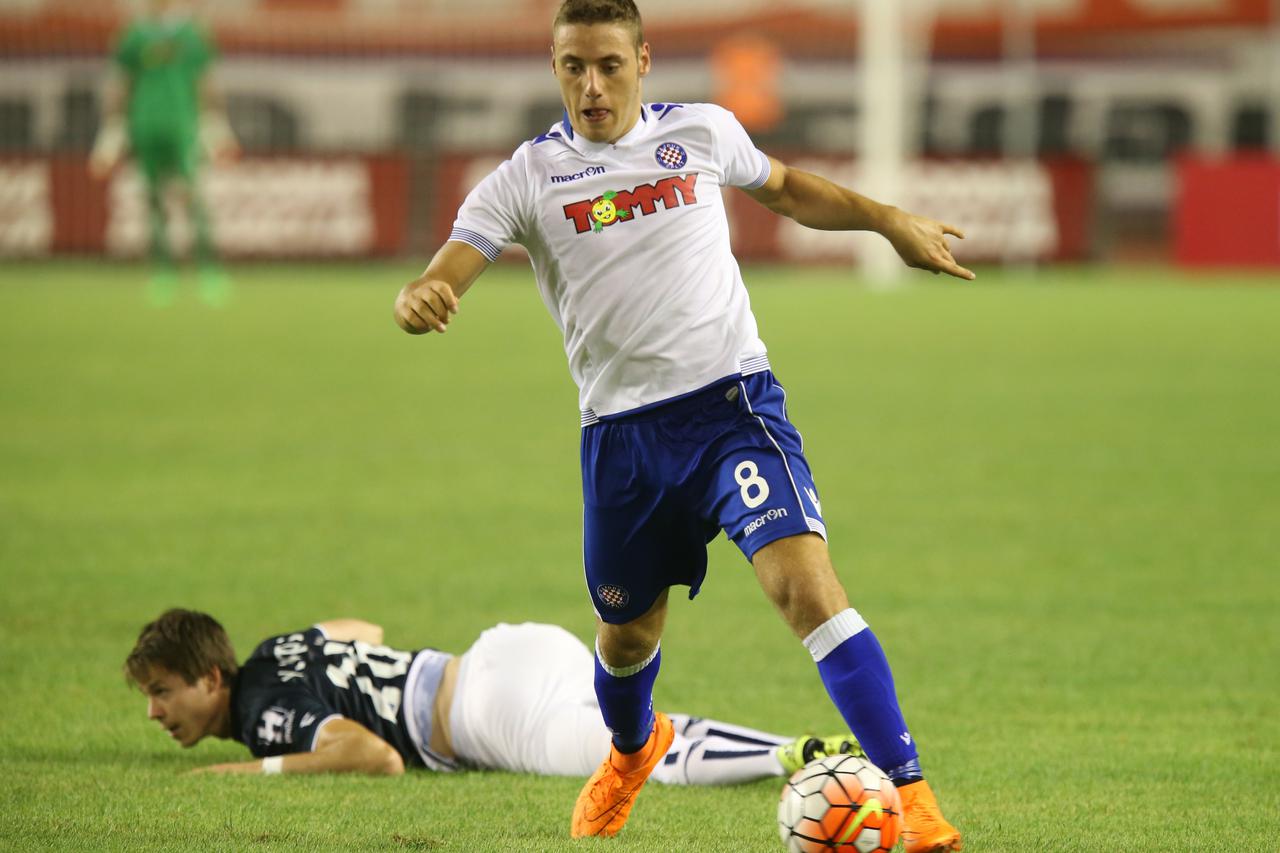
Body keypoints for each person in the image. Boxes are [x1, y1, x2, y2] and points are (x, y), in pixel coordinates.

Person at [392, 1, 970, 849]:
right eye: (572, 67)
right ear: (554, 67)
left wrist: (889, 221)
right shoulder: (524, 177)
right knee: (627, 633)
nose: (591, 86)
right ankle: (633, 748)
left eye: (609, 66)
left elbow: (790, 189)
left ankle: (913, 798)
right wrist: (422, 294)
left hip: (731, 408)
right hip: (622, 442)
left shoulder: (700, 133)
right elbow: (451, 263)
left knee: (805, 588)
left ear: (643, 62)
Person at [125, 608, 861, 785]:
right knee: (618, 726)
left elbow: (375, 755)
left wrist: (247, 770)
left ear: (211, 678)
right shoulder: (274, 650)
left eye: (163, 691)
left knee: (631, 752)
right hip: (506, 647)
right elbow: (363, 627)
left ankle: (791, 753)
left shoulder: (260, 713)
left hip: (484, 713)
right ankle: (785, 750)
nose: (155, 711)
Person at [89, 0, 238, 307]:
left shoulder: (192, 34)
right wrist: (109, 136)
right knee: (153, 198)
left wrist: (218, 129)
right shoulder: (132, 35)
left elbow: (206, 83)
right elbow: (120, 86)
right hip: (144, 125)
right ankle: (162, 271)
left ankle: (208, 269)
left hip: (184, 125)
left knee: (192, 196)